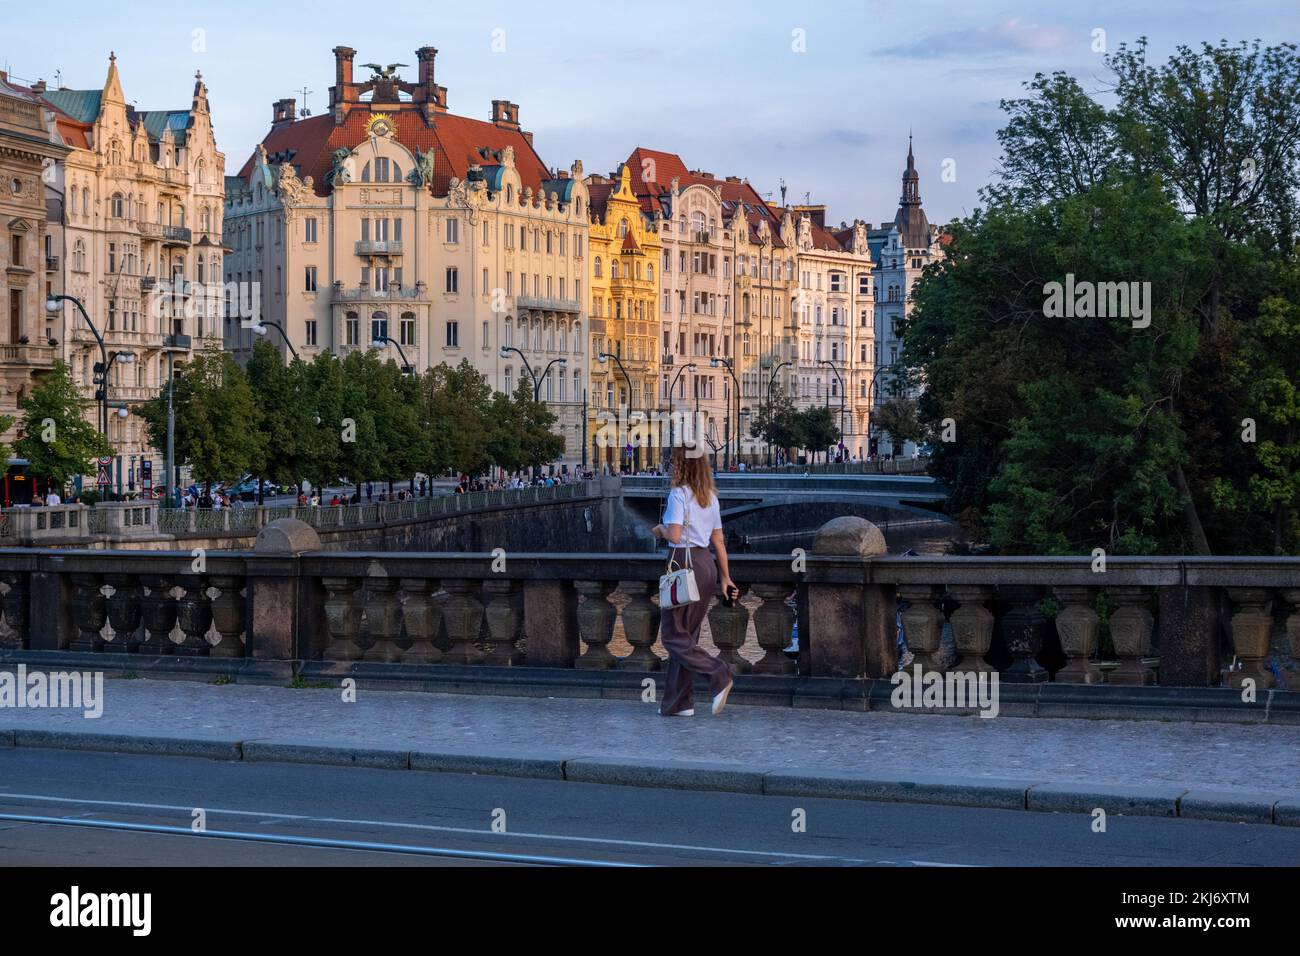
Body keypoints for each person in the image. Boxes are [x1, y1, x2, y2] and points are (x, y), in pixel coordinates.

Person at [650, 444, 737, 718]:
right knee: (687, 637)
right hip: (706, 565)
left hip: (682, 565)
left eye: (673, 462)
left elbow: (675, 536)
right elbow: (719, 541)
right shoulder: (710, 497)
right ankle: (679, 703)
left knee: (673, 636)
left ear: (681, 466)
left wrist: (659, 529)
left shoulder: (678, 495)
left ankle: (719, 674)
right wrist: (725, 577)